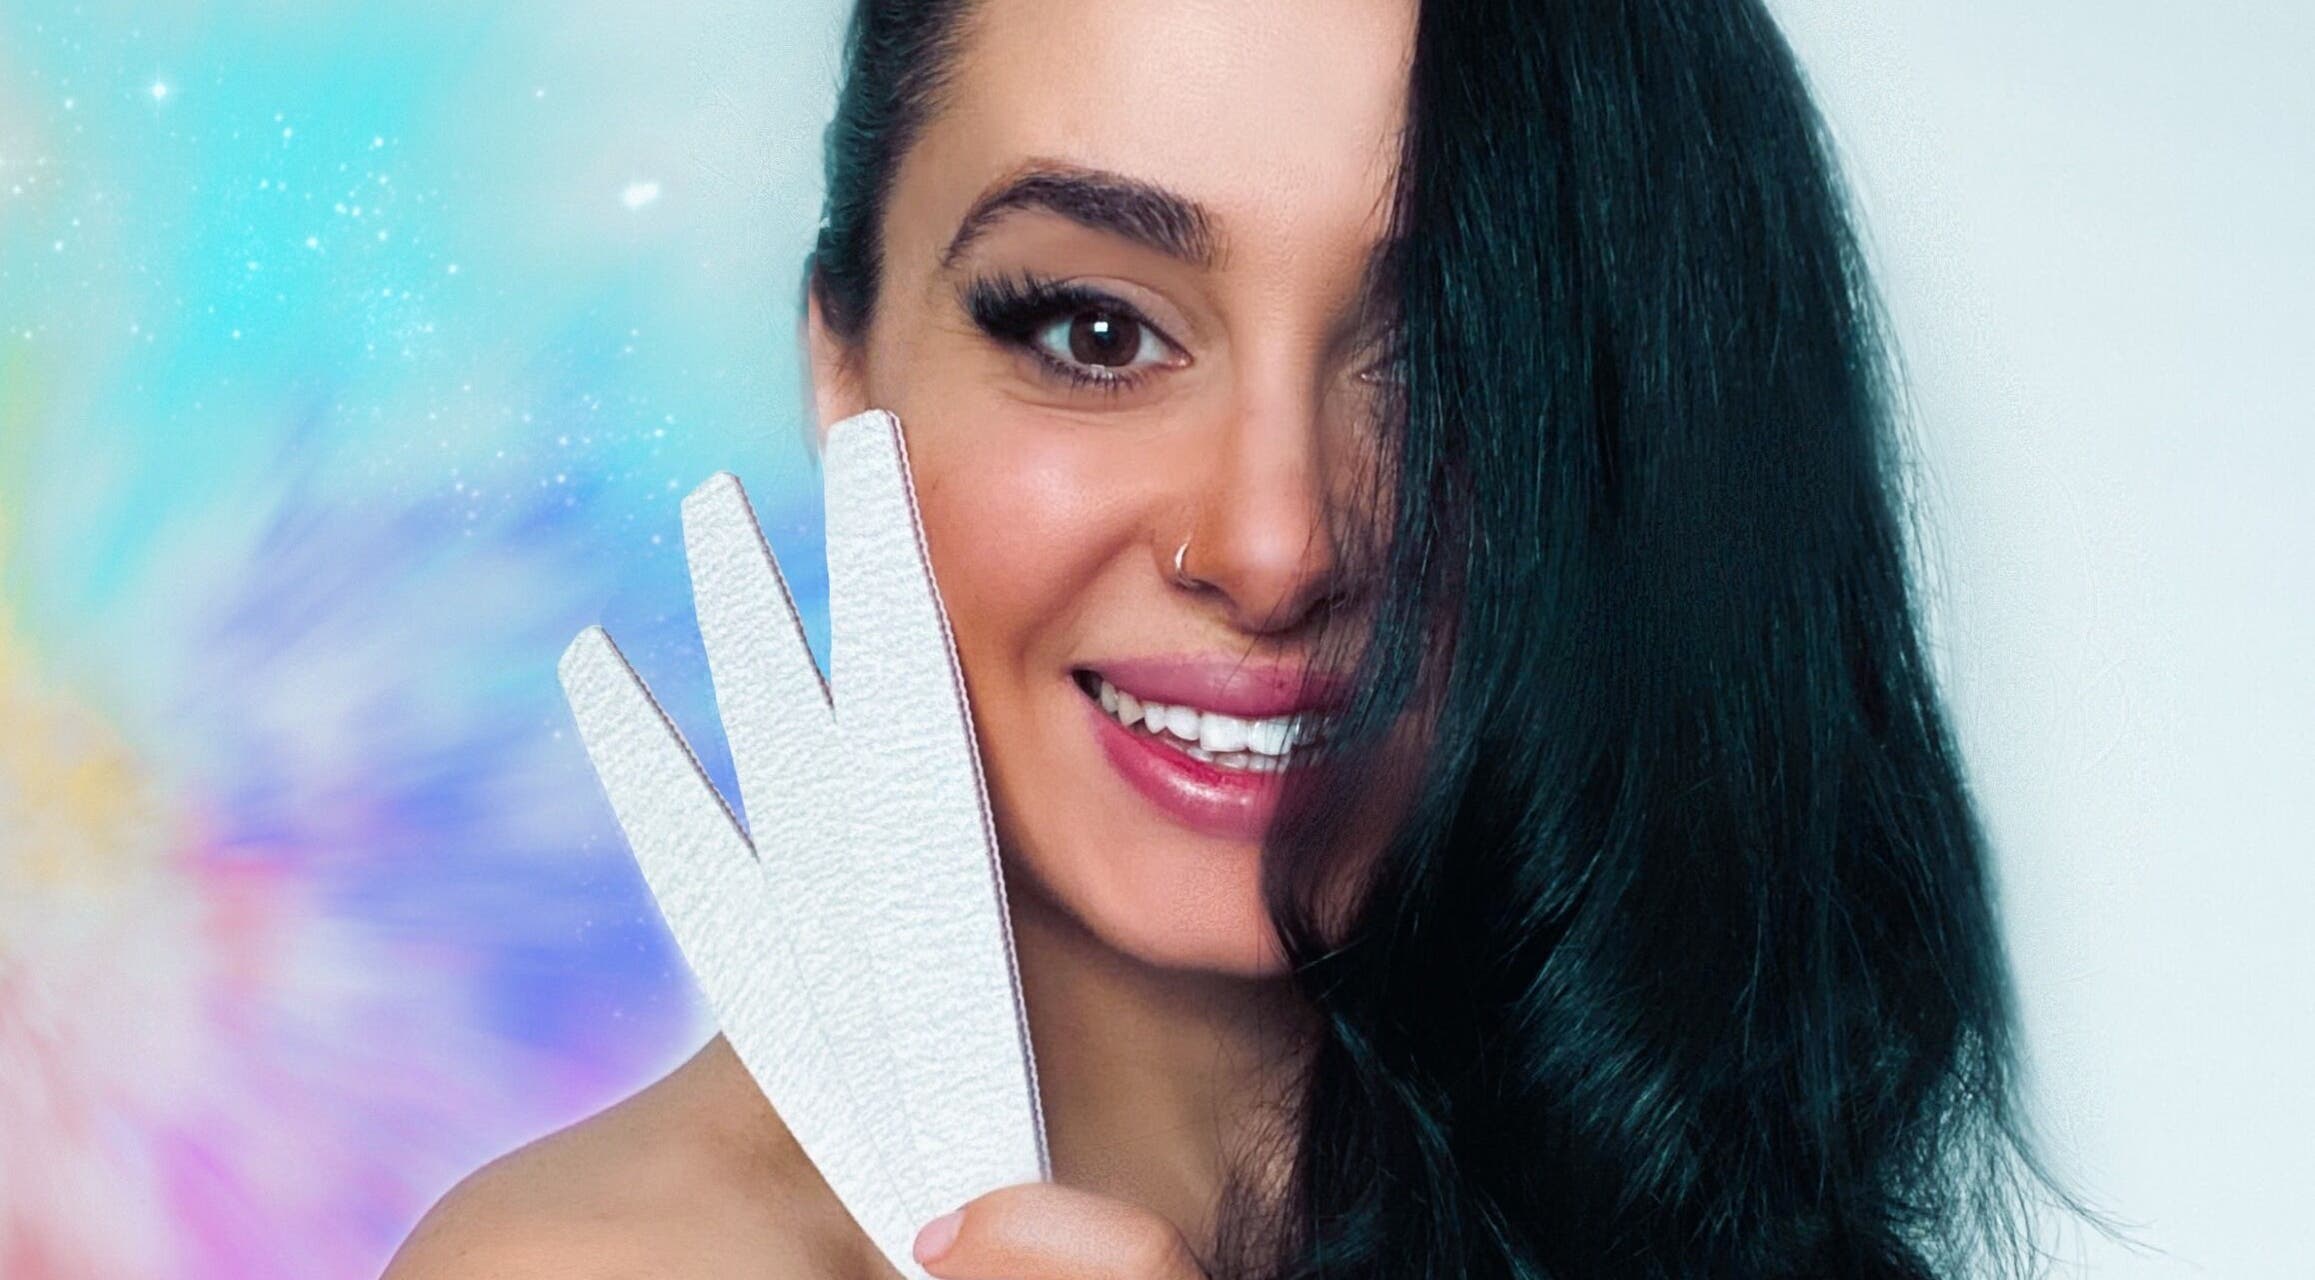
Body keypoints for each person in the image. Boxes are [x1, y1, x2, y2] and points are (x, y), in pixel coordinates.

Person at [388, 0, 2074, 1275]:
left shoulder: (1703, 1178)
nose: (1275, 544)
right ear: (848, 370)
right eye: (1095, 332)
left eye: (1448, 359)